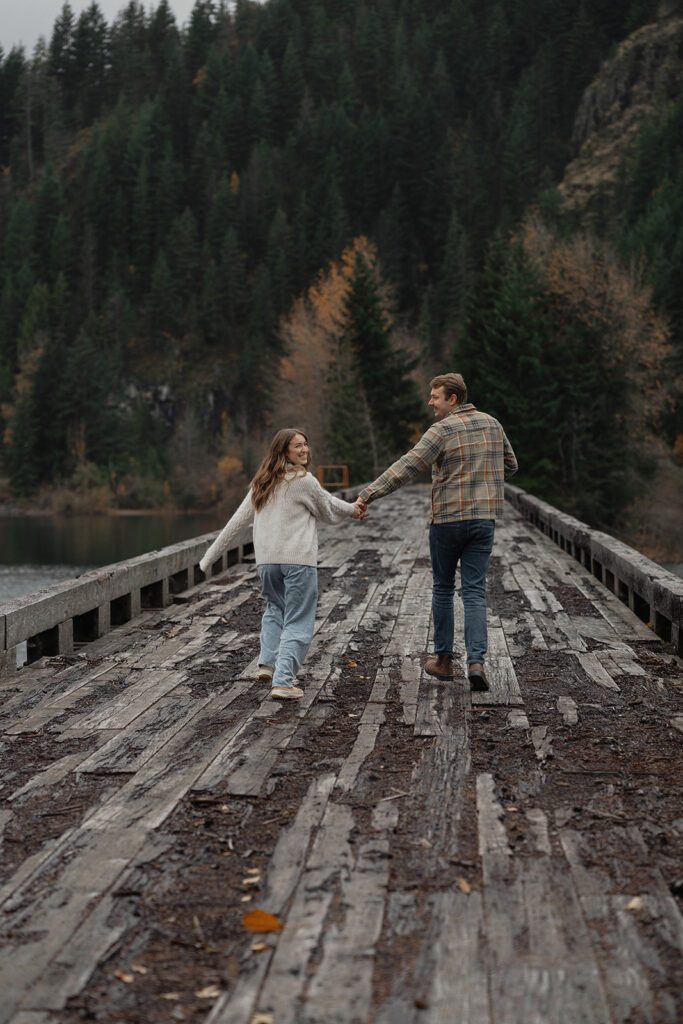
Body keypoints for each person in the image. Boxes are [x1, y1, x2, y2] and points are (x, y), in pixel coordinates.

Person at [354, 373, 517, 691]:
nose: (430, 402)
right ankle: (476, 663)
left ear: (453, 399)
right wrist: (484, 478)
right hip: (484, 520)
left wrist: (367, 495)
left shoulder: (441, 430)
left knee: (443, 588)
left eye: (435, 396)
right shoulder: (493, 424)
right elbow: (510, 465)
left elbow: (407, 467)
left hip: (447, 521)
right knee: (474, 591)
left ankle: (443, 661)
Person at [199, 428, 366, 700]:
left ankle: (267, 663)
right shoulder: (304, 481)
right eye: (297, 446)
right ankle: (284, 681)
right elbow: (326, 508)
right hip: (297, 561)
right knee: (298, 618)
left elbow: (235, 523)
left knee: (275, 609)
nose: (304, 450)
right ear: (284, 451)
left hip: (267, 563)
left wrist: (207, 559)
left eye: (305, 444)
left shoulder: (262, 483)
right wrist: (353, 510)